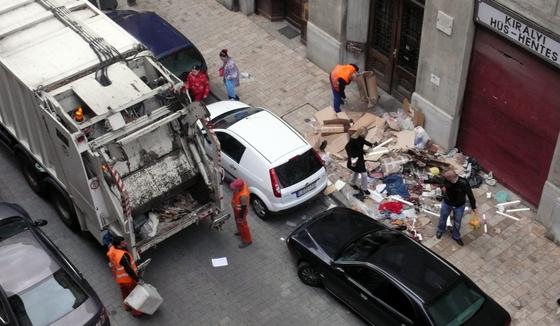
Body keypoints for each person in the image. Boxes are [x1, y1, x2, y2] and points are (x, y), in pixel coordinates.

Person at [431, 169, 478, 246]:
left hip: (459, 205)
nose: (445, 179)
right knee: (443, 217)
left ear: (451, 178)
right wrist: (439, 186)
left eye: (446, 178)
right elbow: (437, 181)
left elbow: (470, 196)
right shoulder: (445, 180)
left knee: (457, 222)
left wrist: (474, 208)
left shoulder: (463, 183)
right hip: (447, 203)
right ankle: (440, 230)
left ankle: (456, 236)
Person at [106, 234, 143, 317]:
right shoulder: (122, 256)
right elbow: (129, 270)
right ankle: (136, 313)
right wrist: (138, 279)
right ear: (118, 246)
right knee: (134, 295)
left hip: (119, 278)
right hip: (128, 279)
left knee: (124, 293)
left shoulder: (112, 249)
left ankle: (127, 306)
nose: (125, 244)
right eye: (123, 243)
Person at [345, 127, 373, 196]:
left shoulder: (361, 138)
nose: (365, 135)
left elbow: (364, 143)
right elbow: (347, 147)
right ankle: (364, 188)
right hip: (354, 158)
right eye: (365, 134)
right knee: (364, 174)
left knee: (356, 171)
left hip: (360, 158)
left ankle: (352, 183)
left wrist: (372, 145)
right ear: (361, 133)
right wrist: (351, 158)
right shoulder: (353, 139)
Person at [230, 178, 252, 248]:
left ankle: (247, 240)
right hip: (237, 210)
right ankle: (240, 232)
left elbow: (244, 208)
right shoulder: (241, 183)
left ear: (239, 187)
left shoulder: (243, 196)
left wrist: (241, 217)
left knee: (243, 225)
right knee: (237, 222)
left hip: (240, 212)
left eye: (234, 188)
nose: (233, 189)